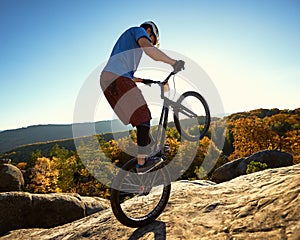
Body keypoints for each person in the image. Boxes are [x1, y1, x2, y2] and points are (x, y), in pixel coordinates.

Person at [100, 21, 184, 174]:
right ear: (149, 30)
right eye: (151, 39)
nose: (150, 41)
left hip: (108, 81)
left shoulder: (127, 46)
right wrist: (174, 63)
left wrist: (145, 80)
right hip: (117, 79)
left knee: (140, 122)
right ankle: (142, 163)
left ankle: (150, 151)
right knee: (144, 116)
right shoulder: (138, 31)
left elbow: (129, 77)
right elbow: (150, 51)